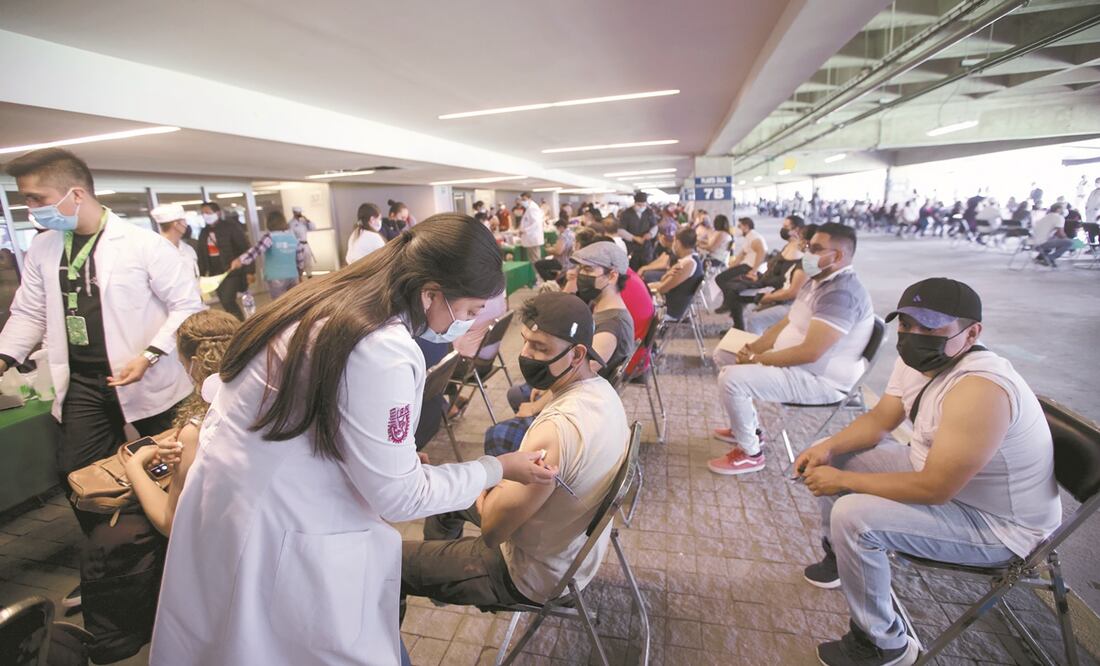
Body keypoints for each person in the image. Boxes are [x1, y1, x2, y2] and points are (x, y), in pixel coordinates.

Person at [150, 214, 556, 665]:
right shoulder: (383, 349)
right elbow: (401, 497)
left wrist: (381, 456)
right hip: (279, 529)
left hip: (238, 506)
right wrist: (497, 467)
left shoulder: (321, 299)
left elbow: (315, 416)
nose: (467, 325)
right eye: (466, 312)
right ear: (430, 293)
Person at [796, 278, 1060, 666]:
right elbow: (881, 420)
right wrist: (827, 447)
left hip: (998, 526)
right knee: (835, 460)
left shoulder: (981, 388)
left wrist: (846, 483)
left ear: (971, 333)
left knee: (854, 516)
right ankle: (843, 558)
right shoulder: (918, 361)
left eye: (931, 327)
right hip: (938, 477)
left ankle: (884, 645)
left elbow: (936, 488)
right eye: (906, 324)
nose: (913, 336)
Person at [0, 148, 203, 643]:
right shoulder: (47, 248)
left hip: (150, 381)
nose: (32, 210)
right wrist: (3, 357)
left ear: (77, 193)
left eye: (37, 199)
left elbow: (187, 306)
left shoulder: (144, 246)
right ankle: (113, 574)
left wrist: (152, 354)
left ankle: (184, 568)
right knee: (82, 480)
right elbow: (28, 313)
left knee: (182, 473)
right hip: (86, 385)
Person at [401, 292, 628, 613]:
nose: (525, 355)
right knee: (449, 490)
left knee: (388, 564)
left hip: (528, 574)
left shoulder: (556, 430)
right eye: (525, 341)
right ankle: (439, 576)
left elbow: (493, 532)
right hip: (571, 550)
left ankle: (429, 590)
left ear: (577, 354)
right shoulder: (604, 392)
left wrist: (485, 485)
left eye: (540, 348)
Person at [708, 223, 873, 476]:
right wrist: (752, 347)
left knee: (732, 380)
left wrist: (760, 359)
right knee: (726, 352)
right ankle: (748, 428)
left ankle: (750, 453)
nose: (807, 254)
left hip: (820, 380)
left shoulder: (842, 294)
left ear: (837, 256)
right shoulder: (819, 280)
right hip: (798, 366)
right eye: (808, 247)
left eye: (815, 249)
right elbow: (787, 321)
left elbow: (810, 352)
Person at [484, 244, 633, 457]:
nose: (580, 275)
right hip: (574, 392)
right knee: (519, 393)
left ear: (612, 276)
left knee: (498, 433)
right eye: (580, 269)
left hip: (580, 407)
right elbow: (555, 321)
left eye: (589, 270)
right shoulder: (599, 306)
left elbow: (579, 373)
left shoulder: (611, 328)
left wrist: (537, 406)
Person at [125, 310, 240, 535]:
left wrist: (135, 466)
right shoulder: (263, 404)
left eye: (181, 363)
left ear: (195, 364)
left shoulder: (197, 430)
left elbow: (172, 523)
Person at [716, 216, 801, 329]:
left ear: (797, 230)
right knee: (732, 289)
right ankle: (737, 328)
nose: (783, 229)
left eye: (786, 227)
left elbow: (791, 290)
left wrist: (769, 296)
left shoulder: (804, 256)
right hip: (766, 283)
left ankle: (739, 329)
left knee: (737, 298)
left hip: (774, 292)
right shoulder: (789, 247)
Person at [740, 223, 816, 336]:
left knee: (753, 320)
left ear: (807, 242)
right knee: (747, 310)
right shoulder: (802, 258)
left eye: (799, 236)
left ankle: (754, 351)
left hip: (794, 306)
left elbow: (792, 293)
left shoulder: (808, 263)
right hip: (786, 301)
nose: (796, 239)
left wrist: (768, 297)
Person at [229, 210, 305, 301]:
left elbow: (255, 251)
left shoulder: (270, 237)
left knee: (279, 304)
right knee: (295, 302)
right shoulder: (293, 238)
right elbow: (300, 259)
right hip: (293, 275)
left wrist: (240, 260)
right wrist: (300, 272)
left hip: (276, 277)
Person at [196, 201, 251, 320]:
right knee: (224, 301)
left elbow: (245, 249)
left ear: (218, 213)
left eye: (208, 212)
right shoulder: (204, 232)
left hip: (231, 271)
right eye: (203, 213)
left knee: (228, 300)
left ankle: (239, 324)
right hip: (214, 273)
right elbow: (201, 255)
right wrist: (200, 274)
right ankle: (235, 323)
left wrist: (249, 271)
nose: (206, 216)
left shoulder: (230, 227)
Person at [650, 227, 702, 320]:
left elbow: (662, 289)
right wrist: (668, 273)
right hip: (668, 303)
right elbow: (663, 280)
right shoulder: (690, 260)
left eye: (674, 241)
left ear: (677, 243)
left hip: (669, 309)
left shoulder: (688, 264)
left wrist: (647, 288)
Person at [151, 203, 198, 280]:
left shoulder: (188, 249)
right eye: (184, 221)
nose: (186, 224)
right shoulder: (155, 252)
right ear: (176, 224)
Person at [619, 191, 658, 270]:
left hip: (646, 247)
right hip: (631, 247)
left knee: (646, 268)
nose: (641, 207)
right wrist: (634, 238)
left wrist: (650, 234)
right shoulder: (626, 213)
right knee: (633, 268)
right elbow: (621, 230)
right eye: (639, 205)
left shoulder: (649, 212)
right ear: (635, 203)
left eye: (643, 205)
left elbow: (655, 226)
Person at [533, 217, 574, 282]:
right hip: (569, 261)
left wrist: (549, 250)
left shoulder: (563, 236)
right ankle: (554, 278)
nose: (557, 230)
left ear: (561, 227)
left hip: (562, 262)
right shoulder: (572, 233)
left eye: (557, 228)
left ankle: (550, 281)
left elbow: (558, 252)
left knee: (538, 264)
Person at [288, 206, 317, 278]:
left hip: (305, 244)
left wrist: (307, 220)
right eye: (298, 213)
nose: (300, 214)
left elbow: (313, 228)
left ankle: (309, 276)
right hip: (297, 245)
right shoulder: (291, 223)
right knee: (299, 263)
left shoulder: (303, 222)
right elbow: (291, 235)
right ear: (294, 213)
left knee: (308, 262)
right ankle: (299, 278)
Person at [517, 191, 545, 261]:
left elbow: (536, 223)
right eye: (522, 200)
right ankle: (535, 272)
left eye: (524, 199)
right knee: (533, 259)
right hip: (531, 238)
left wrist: (525, 230)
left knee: (535, 259)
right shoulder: (529, 208)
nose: (523, 201)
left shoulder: (533, 208)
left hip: (533, 237)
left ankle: (537, 272)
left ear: (530, 199)